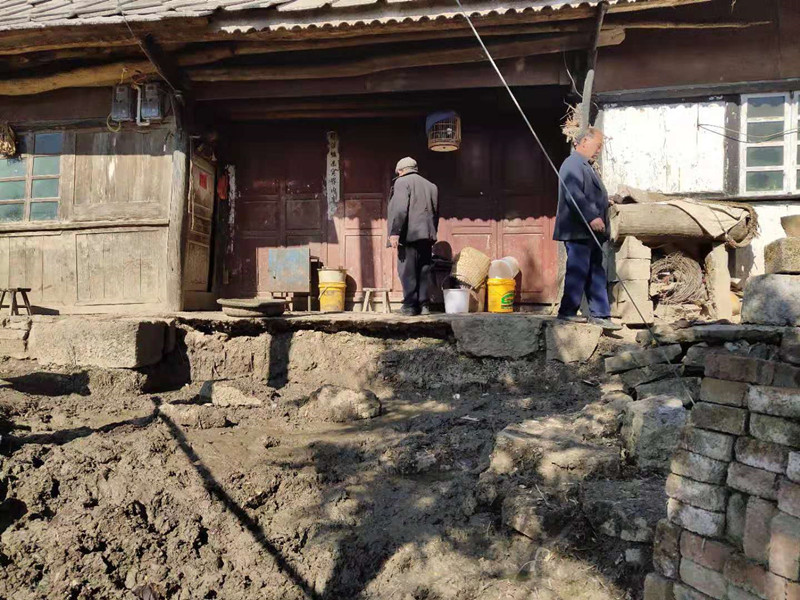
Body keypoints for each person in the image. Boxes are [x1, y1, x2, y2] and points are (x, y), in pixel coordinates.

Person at [552, 127, 621, 330]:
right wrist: (591, 216)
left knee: (595, 271)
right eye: (597, 146)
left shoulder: (586, 165)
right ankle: (567, 312)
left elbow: (589, 194)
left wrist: (606, 201)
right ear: (584, 142)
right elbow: (574, 194)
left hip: (591, 233)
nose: (599, 150)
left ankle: (600, 314)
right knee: (578, 270)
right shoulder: (572, 164)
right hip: (578, 229)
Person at [387, 157, 439, 316]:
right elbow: (435, 213)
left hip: (408, 235)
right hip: (426, 235)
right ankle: (424, 305)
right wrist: (431, 233)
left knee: (407, 271)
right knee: (424, 270)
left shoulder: (402, 182)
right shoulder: (431, 186)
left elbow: (400, 209)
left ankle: (410, 306)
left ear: (401, 171)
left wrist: (395, 232)